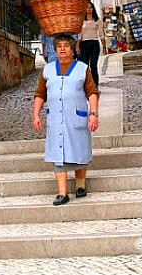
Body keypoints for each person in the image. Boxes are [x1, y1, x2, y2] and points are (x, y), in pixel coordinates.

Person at [32, 33, 99, 205]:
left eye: (66, 46)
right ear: (55, 50)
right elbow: (40, 94)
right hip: (55, 118)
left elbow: (92, 92)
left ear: (73, 49)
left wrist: (93, 114)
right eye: (59, 46)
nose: (62, 49)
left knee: (79, 150)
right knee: (57, 153)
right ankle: (62, 193)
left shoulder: (82, 69)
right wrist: (36, 114)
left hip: (76, 117)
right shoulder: (47, 70)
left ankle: (80, 185)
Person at [77, 2, 106, 86]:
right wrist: (78, 45)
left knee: (93, 65)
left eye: (91, 7)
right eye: (87, 7)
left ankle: (95, 85)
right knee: (85, 65)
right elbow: (79, 33)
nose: (89, 9)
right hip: (84, 44)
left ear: (93, 9)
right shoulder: (81, 20)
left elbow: (101, 33)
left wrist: (104, 46)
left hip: (94, 44)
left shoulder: (97, 20)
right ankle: (87, 85)